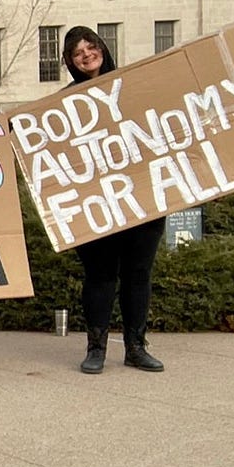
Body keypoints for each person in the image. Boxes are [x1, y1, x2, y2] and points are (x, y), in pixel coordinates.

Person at [63, 25, 165, 374]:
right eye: (78, 53)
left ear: (102, 48)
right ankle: (96, 349)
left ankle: (136, 347)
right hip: (96, 204)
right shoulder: (60, 106)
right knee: (100, 276)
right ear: (70, 61)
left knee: (138, 275)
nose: (86, 55)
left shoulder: (133, 87)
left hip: (142, 199)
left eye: (91, 47)